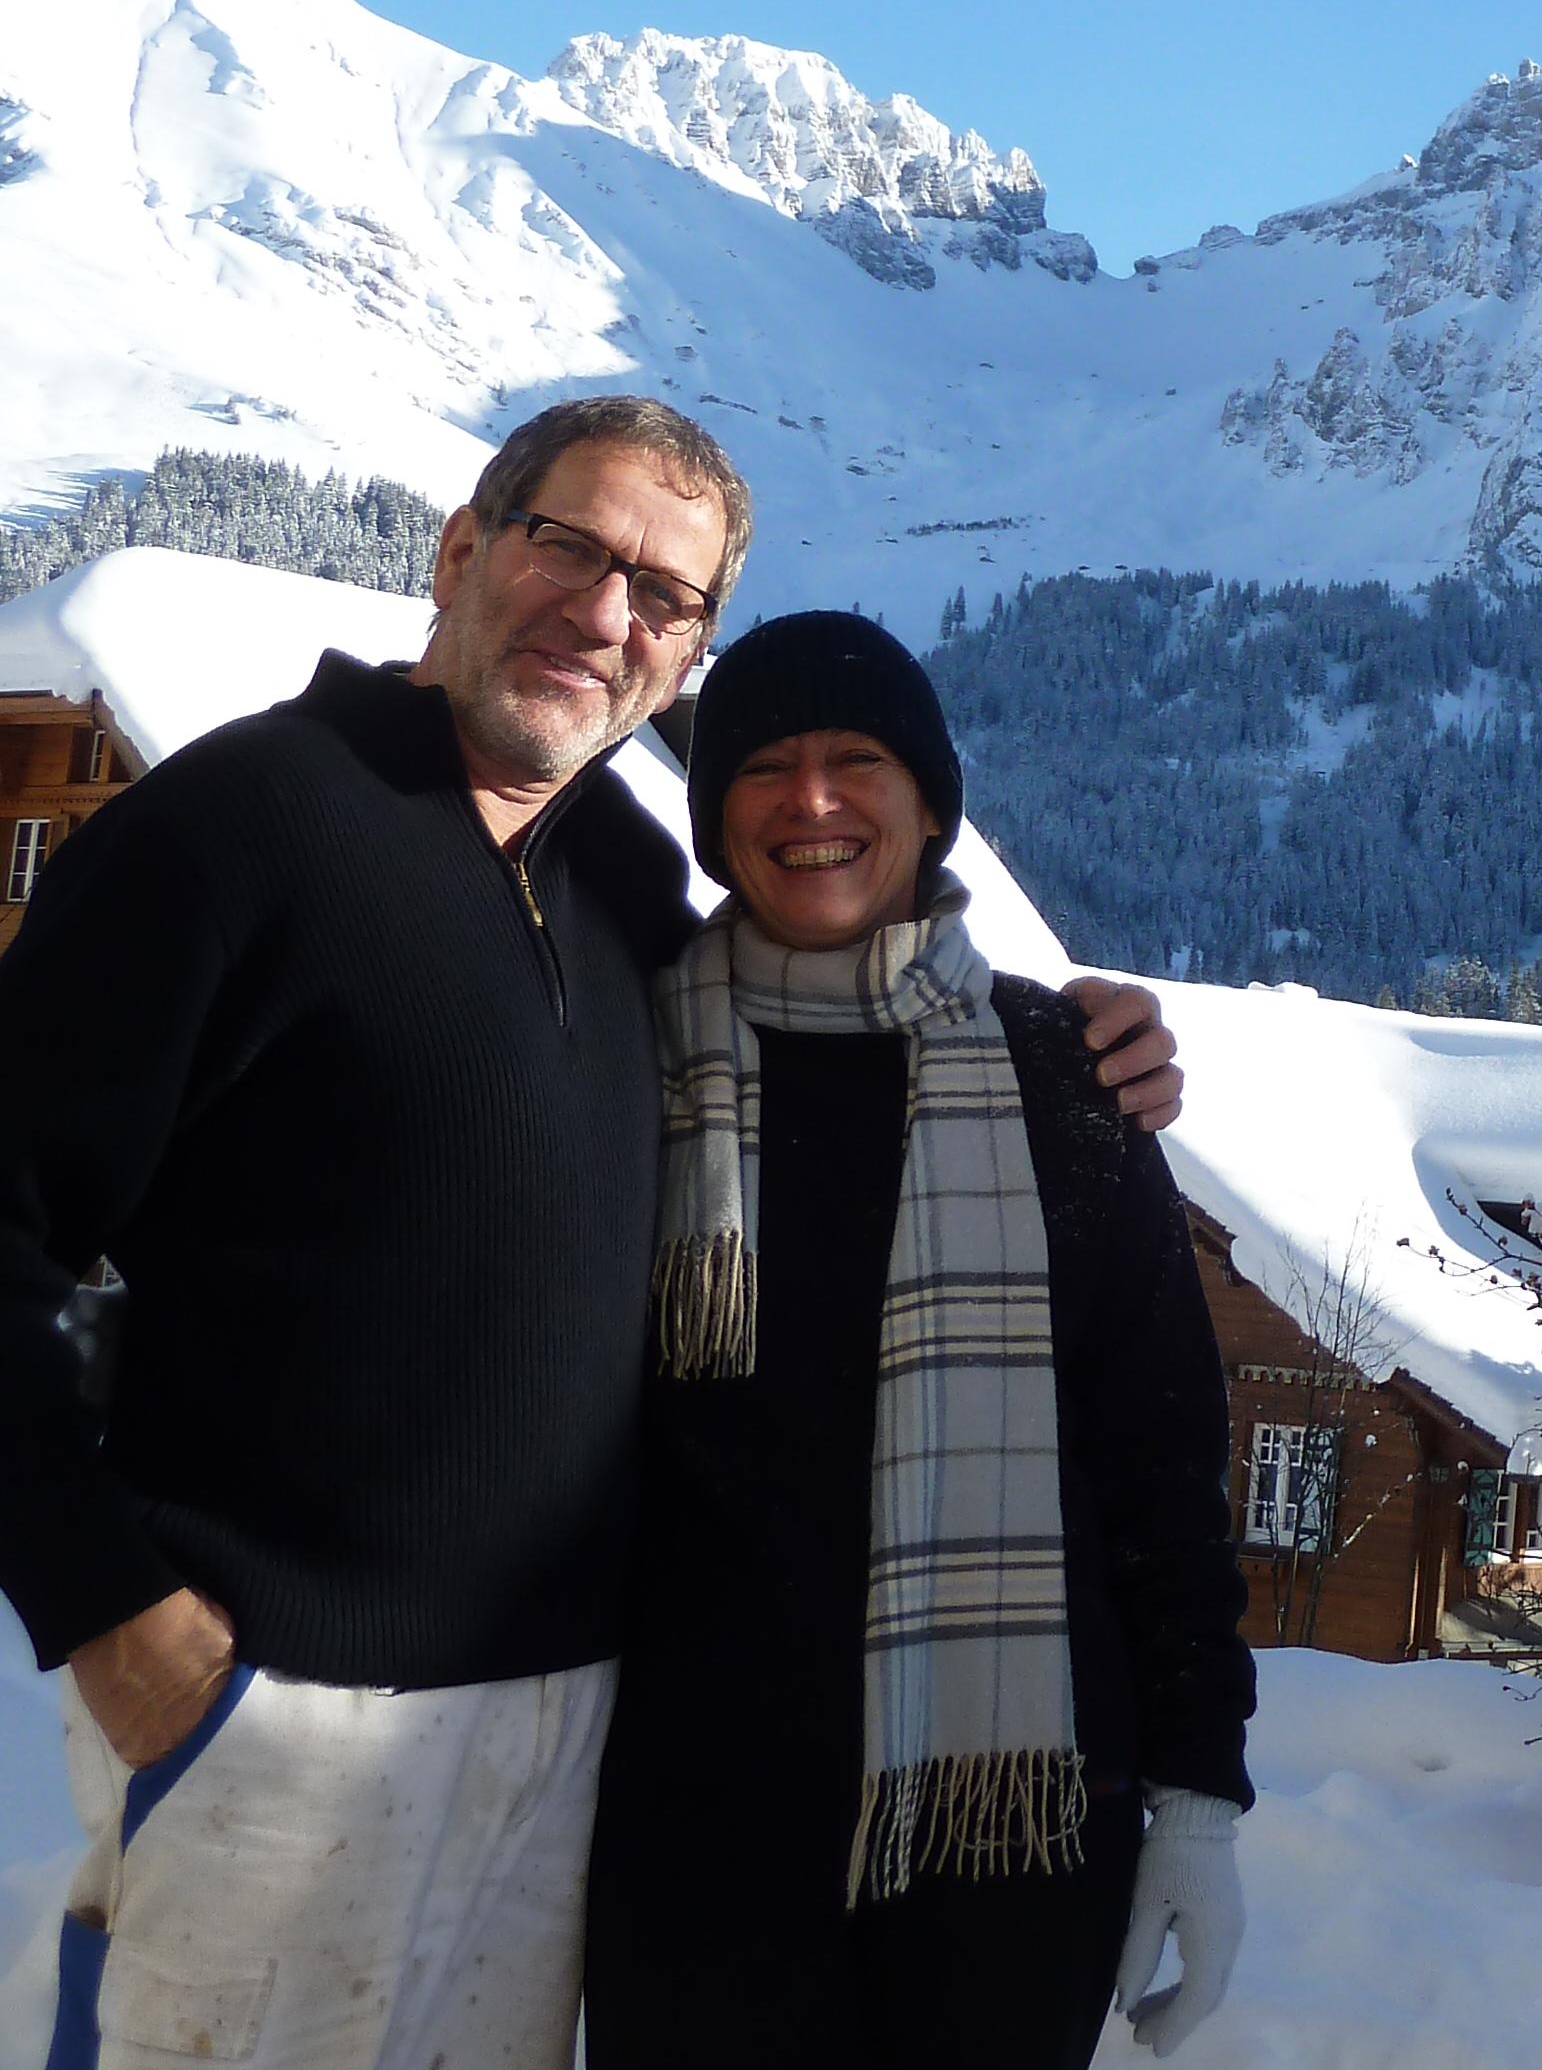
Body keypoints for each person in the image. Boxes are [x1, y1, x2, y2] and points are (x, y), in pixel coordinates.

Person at [0, 397, 1180, 2070]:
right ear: (462, 550)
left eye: (666, 594)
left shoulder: (623, 882)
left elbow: (838, 1005)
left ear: (685, 653)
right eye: (570, 546)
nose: (606, 612)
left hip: (573, 1737)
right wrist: (108, 1606)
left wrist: (1074, 1038)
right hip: (277, 1713)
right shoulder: (236, 828)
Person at [581, 613, 1250, 2066]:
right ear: (714, 820)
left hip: (1010, 1839)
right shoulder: (628, 1058)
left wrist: (1198, 1790)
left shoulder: (1064, 1074)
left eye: (857, 760)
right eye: (765, 766)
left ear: (932, 802)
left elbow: (1159, 1458)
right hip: (694, 1832)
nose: (811, 802)